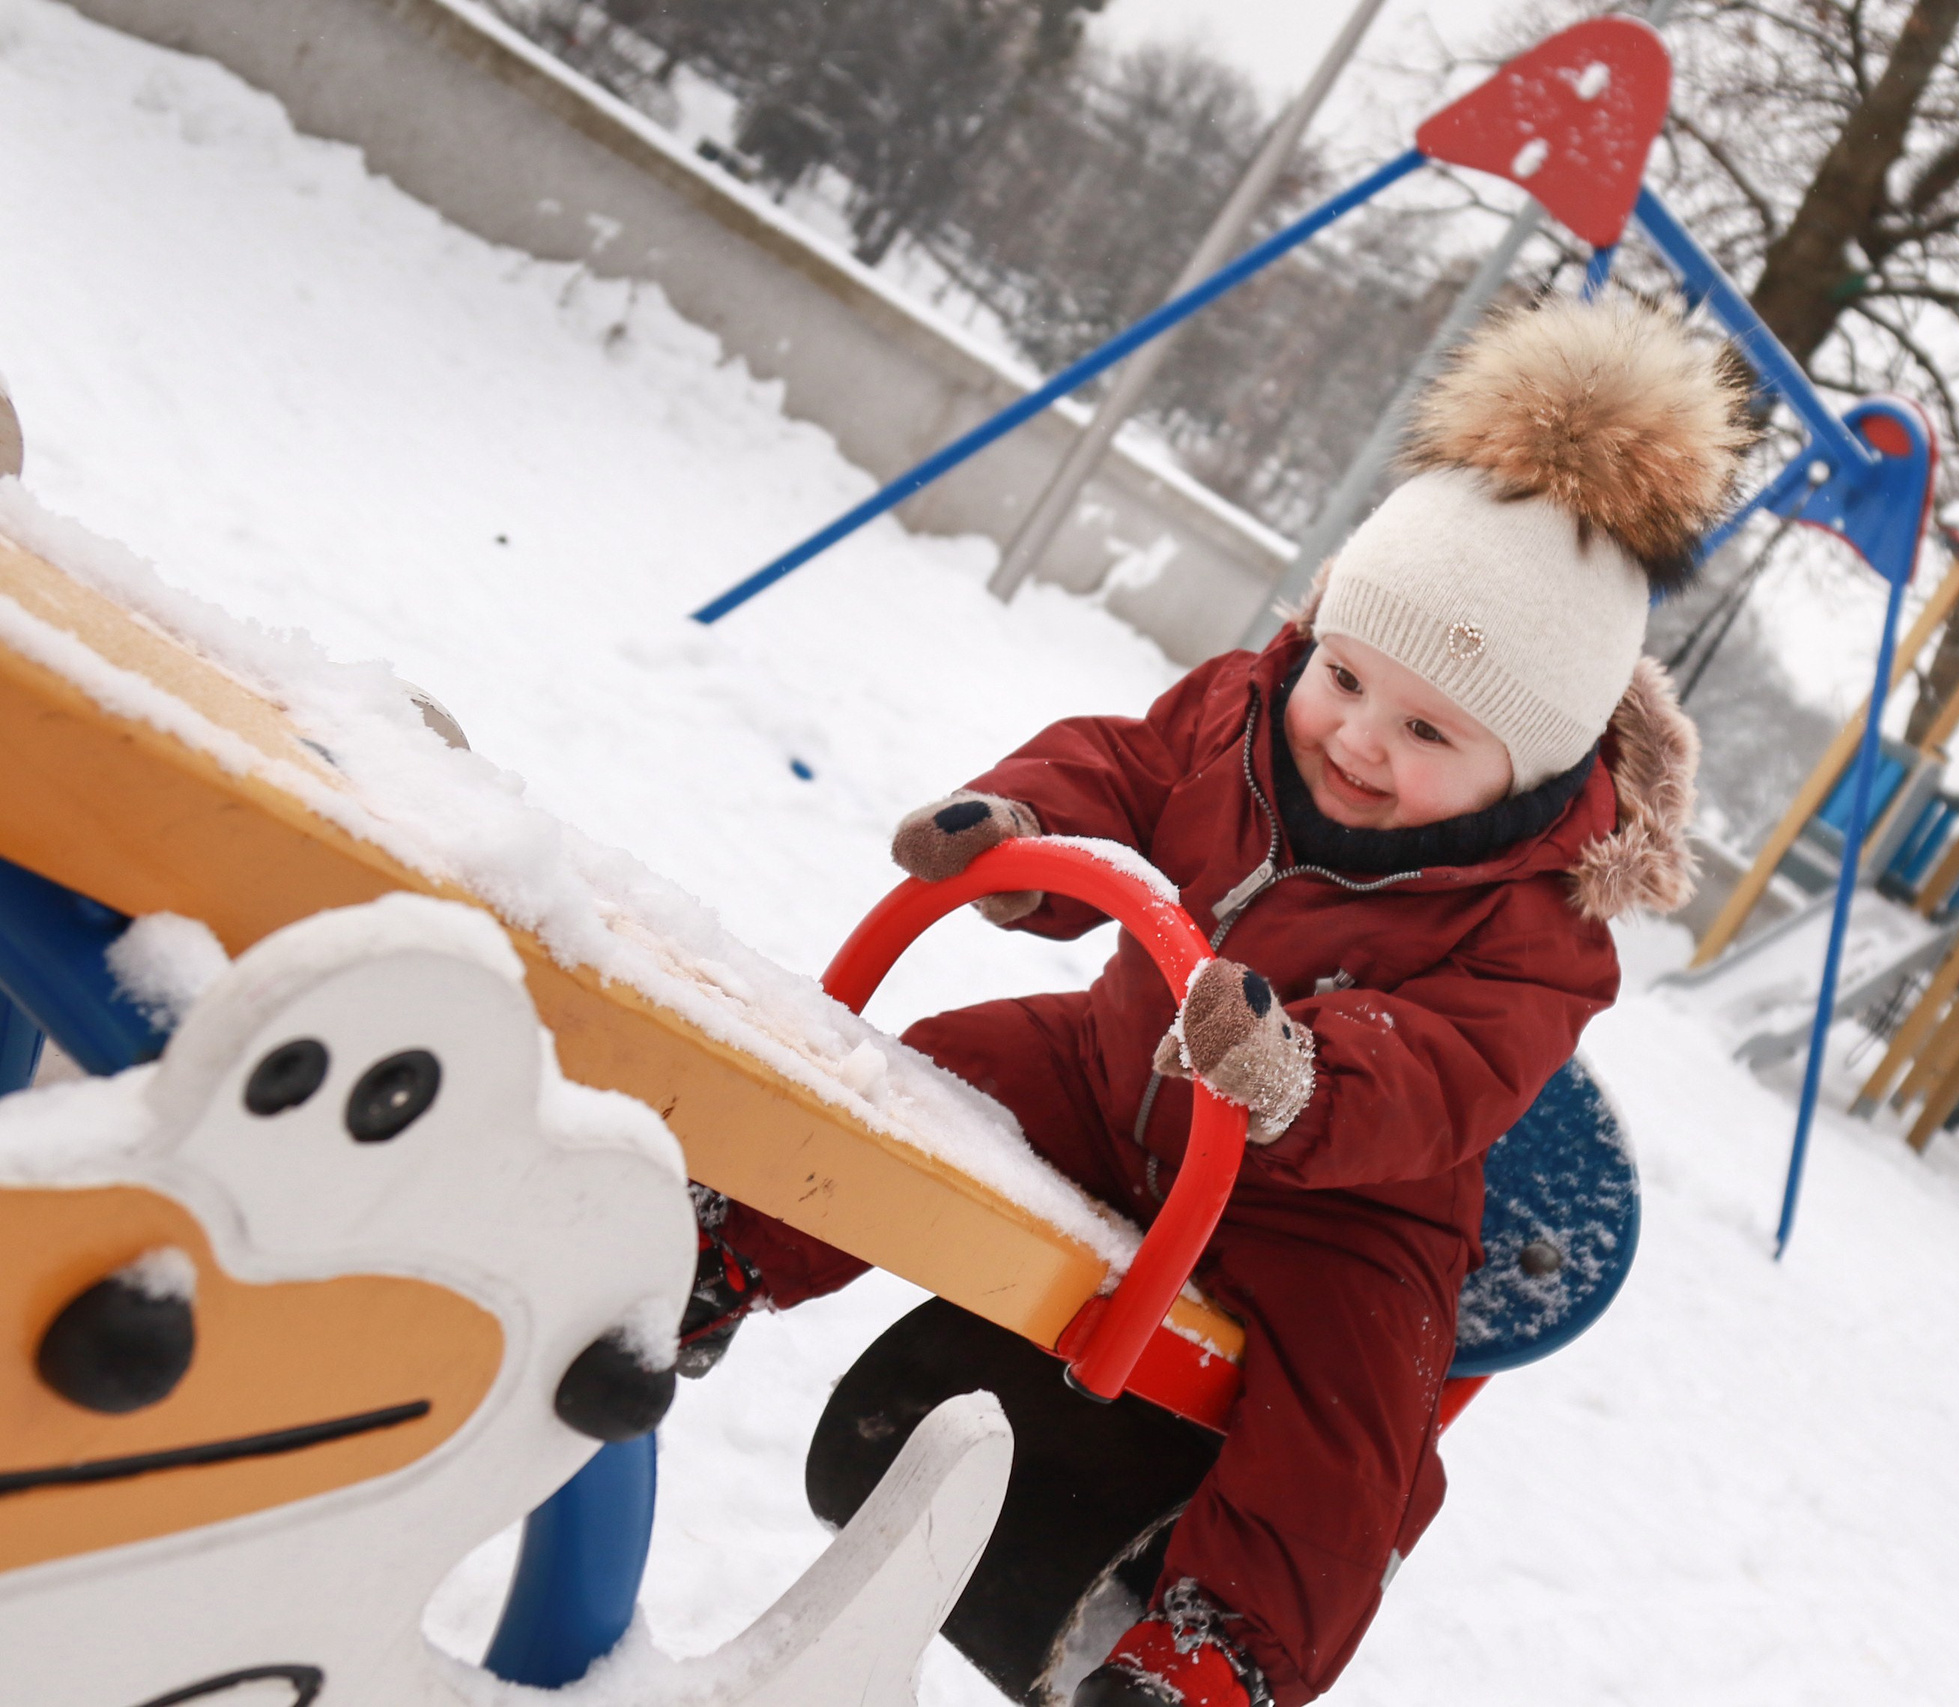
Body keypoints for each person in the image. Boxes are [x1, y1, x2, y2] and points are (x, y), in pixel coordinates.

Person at [693, 295, 1754, 1705]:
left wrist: (1303, 1076)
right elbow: (1124, 771)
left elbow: (1452, 1070)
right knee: (936, 1069)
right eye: (1348, 677)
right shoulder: (1245, 715)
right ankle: (729, 1248)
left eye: (1429, 731)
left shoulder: (1540, 923)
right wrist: (1020, 829)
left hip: (1336, 1202)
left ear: (1538, 769)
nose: (1360, 740)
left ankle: (1219, 1648)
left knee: (1361, 1412)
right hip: (1113, 1077)